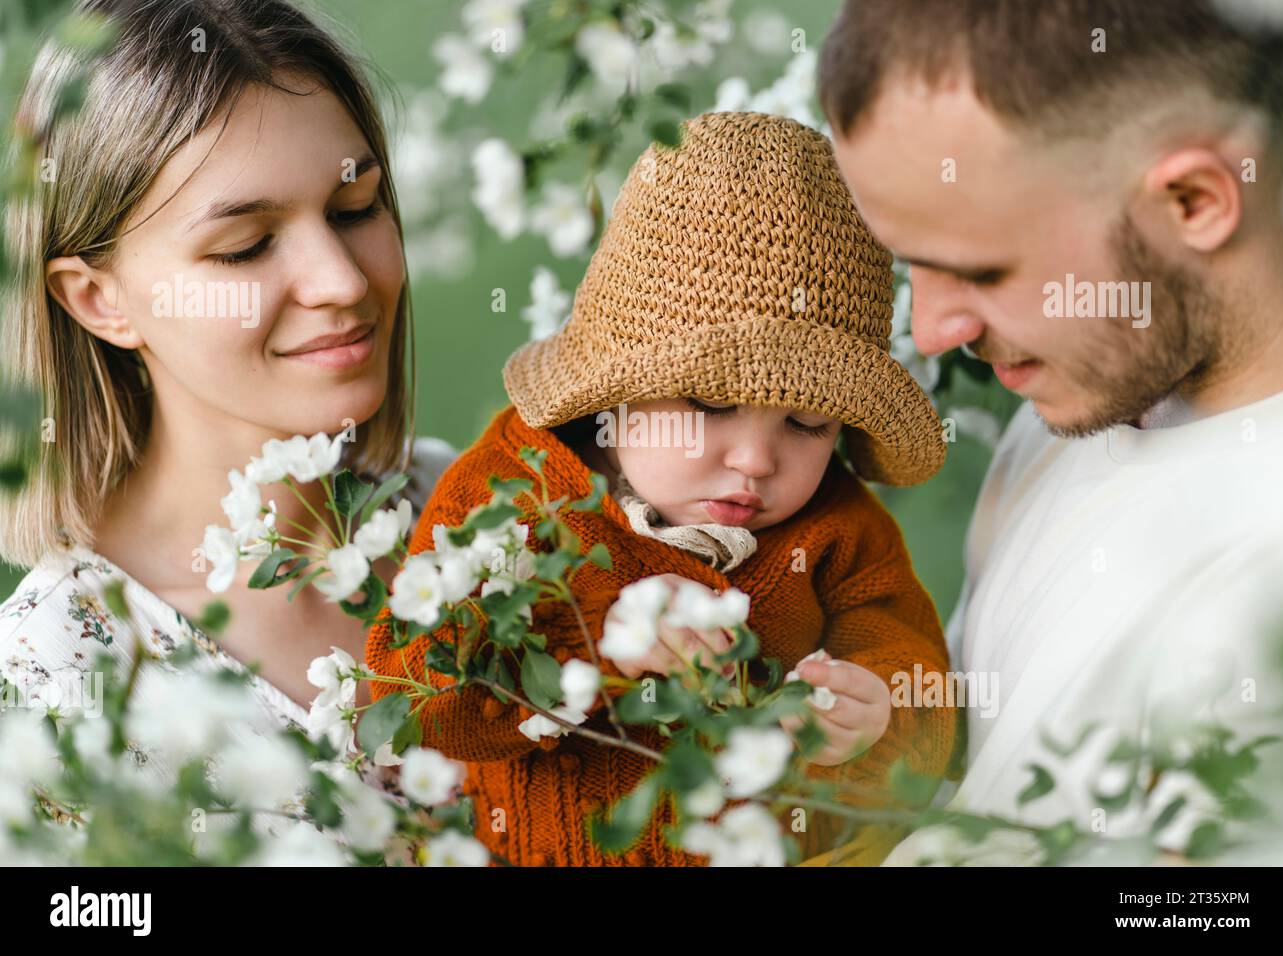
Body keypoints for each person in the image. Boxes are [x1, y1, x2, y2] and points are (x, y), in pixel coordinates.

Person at [366, 111, 957, 866]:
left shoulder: (838, 531)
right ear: (615, 393)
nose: (756, 459)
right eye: (708, 406)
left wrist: (876, 715)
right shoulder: (516, 494)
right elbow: (408, 694)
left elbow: (913, 667)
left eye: (807, 423)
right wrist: (599, 641)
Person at [817, 0, 1283, 863]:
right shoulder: (1080, 401)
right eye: (907, 264)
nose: (929, 331)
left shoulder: (1272, 599)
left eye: (980, 270)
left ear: (1192, 202)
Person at [0, 0, 455, 780]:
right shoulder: (47, 694)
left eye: (356, 208)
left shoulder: (475, 514)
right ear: (97, 300)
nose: (342, 281)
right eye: (246, 248)